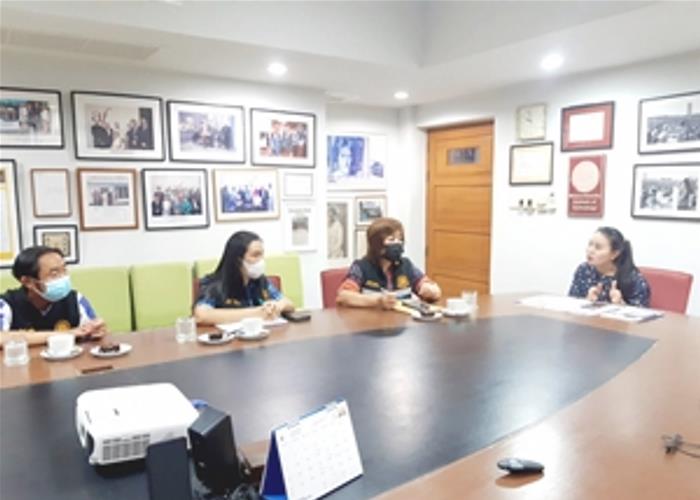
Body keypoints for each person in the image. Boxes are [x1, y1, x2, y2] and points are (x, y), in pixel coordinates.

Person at [0, 246, 106, 348]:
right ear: (28, 282)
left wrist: (95, 330)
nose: (63, 278)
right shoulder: (6, 304)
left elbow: (91, 330)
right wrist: (66, 334)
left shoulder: (75, 299)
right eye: (54, 274)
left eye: (64, 270)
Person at [336, 217, 441, 309]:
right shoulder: (361, 267)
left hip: (401, 322)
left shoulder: (406, 265)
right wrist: (377, 301)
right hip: (371, 322)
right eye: (391, 239)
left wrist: (431, 290)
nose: (397, 243)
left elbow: (427, 286)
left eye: (400, 240)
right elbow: (343, 296)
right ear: (376, 244)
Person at [194, 231, 294, 325]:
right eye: (255, 255)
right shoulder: (214, 284)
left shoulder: (261, 281)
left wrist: (277, 306)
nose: (261, 260)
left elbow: (289, 304)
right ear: (238, 259)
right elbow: (201, 315)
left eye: (261, 255)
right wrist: (257, 312)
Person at [568, 227, 650, 307]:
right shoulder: (584, 270)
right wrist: (586, 301)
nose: (590, 250)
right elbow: (570, 303)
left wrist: (620, 304)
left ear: (614, 254)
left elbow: (641, 312)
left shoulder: (633, 279)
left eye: (598, 247)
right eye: (590, 244)